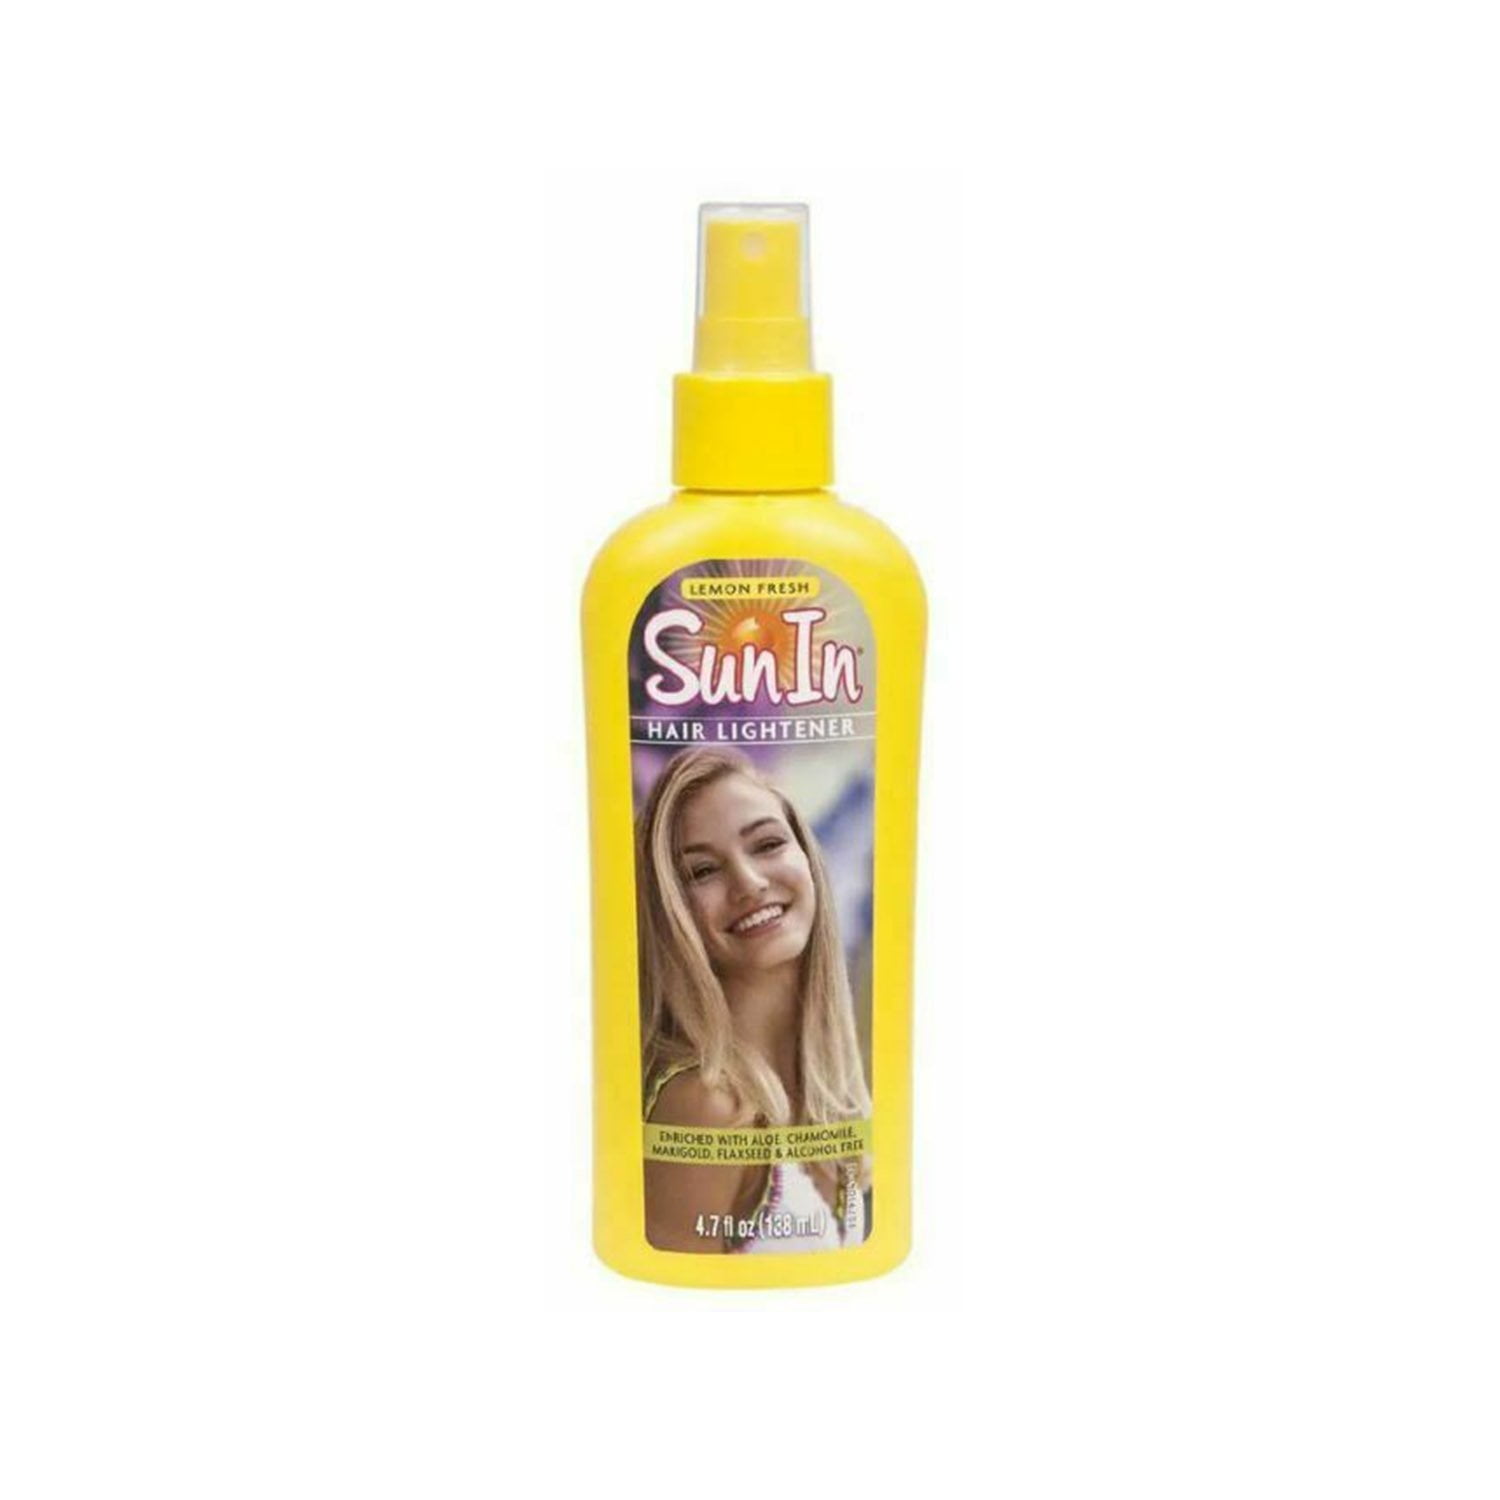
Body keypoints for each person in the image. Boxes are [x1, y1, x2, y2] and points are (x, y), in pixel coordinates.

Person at [636, 747, 870, 1253]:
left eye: (767, 844)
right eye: (702, 871)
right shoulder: (705, 1104)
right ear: (671, 910)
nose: (749, 883)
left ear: (807, 856)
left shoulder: (833, 1100)